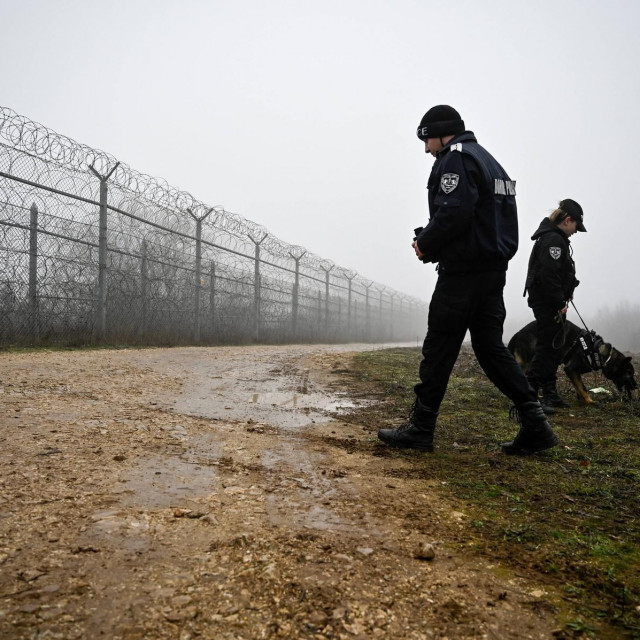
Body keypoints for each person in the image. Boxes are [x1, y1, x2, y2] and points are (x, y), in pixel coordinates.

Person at [377, 105, 558, 456]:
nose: (426, 148)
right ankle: (536, 423)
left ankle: (421, 428)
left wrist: (425, 244)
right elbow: (479, 215)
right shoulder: (490, 161)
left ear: (441, 133)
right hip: (492, 272)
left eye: (426, 139)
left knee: (440, 345)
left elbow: (454, 212)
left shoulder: (456, 158)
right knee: (490, 350)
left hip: (463, 273)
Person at [523, 200, 586, 413]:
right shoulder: (553, 240)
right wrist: (559, 302)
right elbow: (548, 276)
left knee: (554, 348)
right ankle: (528, 395)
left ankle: (550, 394)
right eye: (577, 225)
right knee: (547, 349)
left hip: (550, 302)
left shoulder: (555, 238)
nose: (576, 231)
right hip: (548, 304)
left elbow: (557, 273)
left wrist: (568, 290)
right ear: (568, 220)